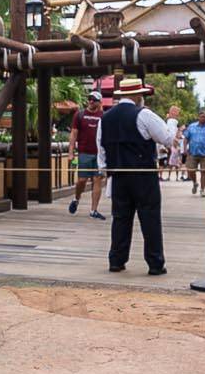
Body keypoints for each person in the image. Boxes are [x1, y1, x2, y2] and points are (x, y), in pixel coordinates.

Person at [99, 77, 177, 275]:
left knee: (120, 218)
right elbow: (167, 139)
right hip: (143, 174)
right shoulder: (144, 114)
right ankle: (155, 263)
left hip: (118, 175)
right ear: (137, 96)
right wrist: (172, 120)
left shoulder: (105, 118)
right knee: (150, 218)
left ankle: (116, 260)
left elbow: (101, 149)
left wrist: (106, 172)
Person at [68, 89, 106, 220]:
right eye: (89, 98)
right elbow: (73, 134)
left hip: (99, 154)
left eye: (94, 99)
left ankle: (93, 210)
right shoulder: (80, 115)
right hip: (84, 152)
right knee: (81, 181)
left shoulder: (104, 116)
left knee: (97, 180)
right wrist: (71, 152)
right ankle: (76, 199)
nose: (90, 101)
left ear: (99, 102)